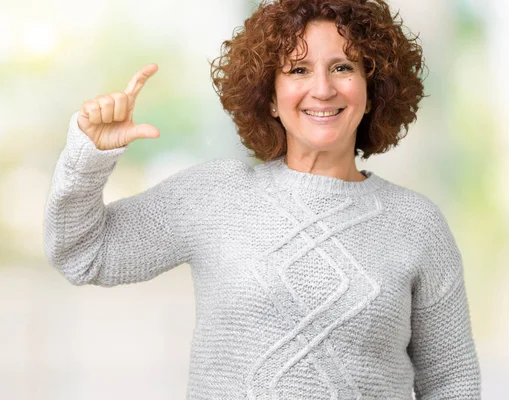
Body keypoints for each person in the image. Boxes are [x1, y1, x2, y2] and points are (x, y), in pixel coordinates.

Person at [44, 0, 482, 398]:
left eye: (344, 68)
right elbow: (83, 253)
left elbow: (451, 381)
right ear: (270, 97)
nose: (323, 89)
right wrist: (89, 156)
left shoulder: (417, 224)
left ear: (372, 89)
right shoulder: (215, 195)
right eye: (298, 70)